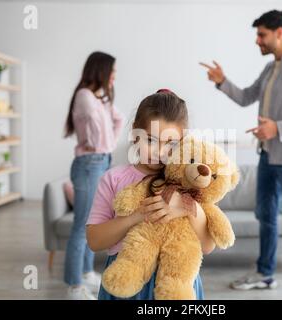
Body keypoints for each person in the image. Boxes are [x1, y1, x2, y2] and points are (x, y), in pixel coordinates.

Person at [200, 10, 282, 300]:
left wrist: (278, 128)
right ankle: (265, 274)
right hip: (268, 157)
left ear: (279, 33)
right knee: (266, 216)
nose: (257, 41)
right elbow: (247, 96)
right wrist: (222, 81)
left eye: (262, 35)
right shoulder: (272, 68)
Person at [86, 90, 216, 300]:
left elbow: (208, 246)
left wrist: (186, 207)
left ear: (184, 142)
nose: (159, 152)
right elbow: (94, 241)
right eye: (151, 140)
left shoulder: (189, 180)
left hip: (177, 284)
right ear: (135, 134)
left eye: (171, 144)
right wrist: (137, 216)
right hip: (127, 282)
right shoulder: (114, 178)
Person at [63, 51, 124, 300]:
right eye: (113, 70)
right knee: (81, 227)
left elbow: (118, 120)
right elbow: (98, 137)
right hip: (89, 163)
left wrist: (109, 145)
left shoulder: (98, 98)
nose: (115, 76)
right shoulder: (85, 96)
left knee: (93, 223)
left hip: (100, 161)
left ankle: (87, 272)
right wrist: (102, 144)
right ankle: (74, 287)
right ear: (101, 70)